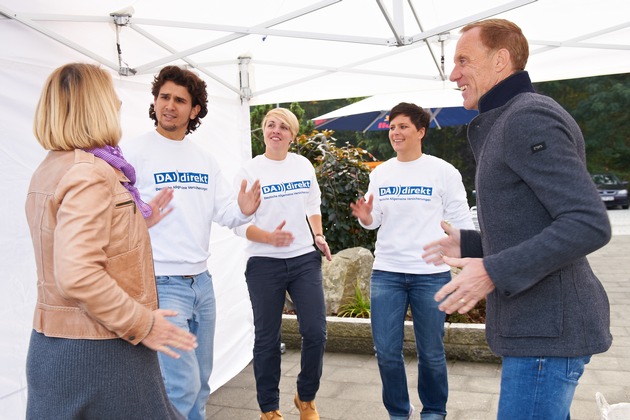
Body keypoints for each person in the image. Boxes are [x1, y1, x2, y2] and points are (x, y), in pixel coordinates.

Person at [422, 19, 612, 419]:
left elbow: (587, 221)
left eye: (463, 60)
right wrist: (472, 244)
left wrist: (492, 269)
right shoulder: (511, 117)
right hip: (538, 331)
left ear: (500, 60)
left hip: (546, 335)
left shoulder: (527, 117)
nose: (453, 74)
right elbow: (535, 218)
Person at [25, 62, 197, 419]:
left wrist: (138, 223)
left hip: (58, 346)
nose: (118, 104)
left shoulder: (52, 167)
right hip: (101, 351)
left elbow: (78, 246)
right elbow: (77, 273)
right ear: (96, 106)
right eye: (112, 97)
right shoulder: (89, 173)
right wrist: (144, 323)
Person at [122, 65, 261, 420]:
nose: (169, 105)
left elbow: (227, 213)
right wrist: (141, 217)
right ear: (154, 102)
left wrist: (244, 210)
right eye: (163, 97)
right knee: (179, 385)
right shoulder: (131, 153)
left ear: (194, 109)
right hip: (162, 284)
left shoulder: (204, 159)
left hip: (202, 284)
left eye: (179, 100)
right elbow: (112, 218)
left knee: (199, 383)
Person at [350, 102, 474, 420]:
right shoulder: (381, 173)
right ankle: (398, 411)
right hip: (387, 272)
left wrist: (468, 257)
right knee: (387, 352)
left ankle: (433, 411)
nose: (395, 132)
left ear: (421, 131)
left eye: (403, 126)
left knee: (431, 352)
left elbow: (461, 219)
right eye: (392, 127)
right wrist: (366, 218)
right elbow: (374, 219)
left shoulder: (443, 171)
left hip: (430, 273)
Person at [233, 108, 331, 420]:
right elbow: (237, 222)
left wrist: (318, 234)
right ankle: (269, 409)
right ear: (263, 131)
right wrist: (267, 237)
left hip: (304, 258)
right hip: (264, 263)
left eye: (283, 127)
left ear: (292, 134)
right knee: (267, 338)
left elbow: (312, 203)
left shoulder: (302, 165)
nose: (276, 130)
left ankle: (306, 397)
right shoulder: (249, 171)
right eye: (271, 125)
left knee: (316, 331)